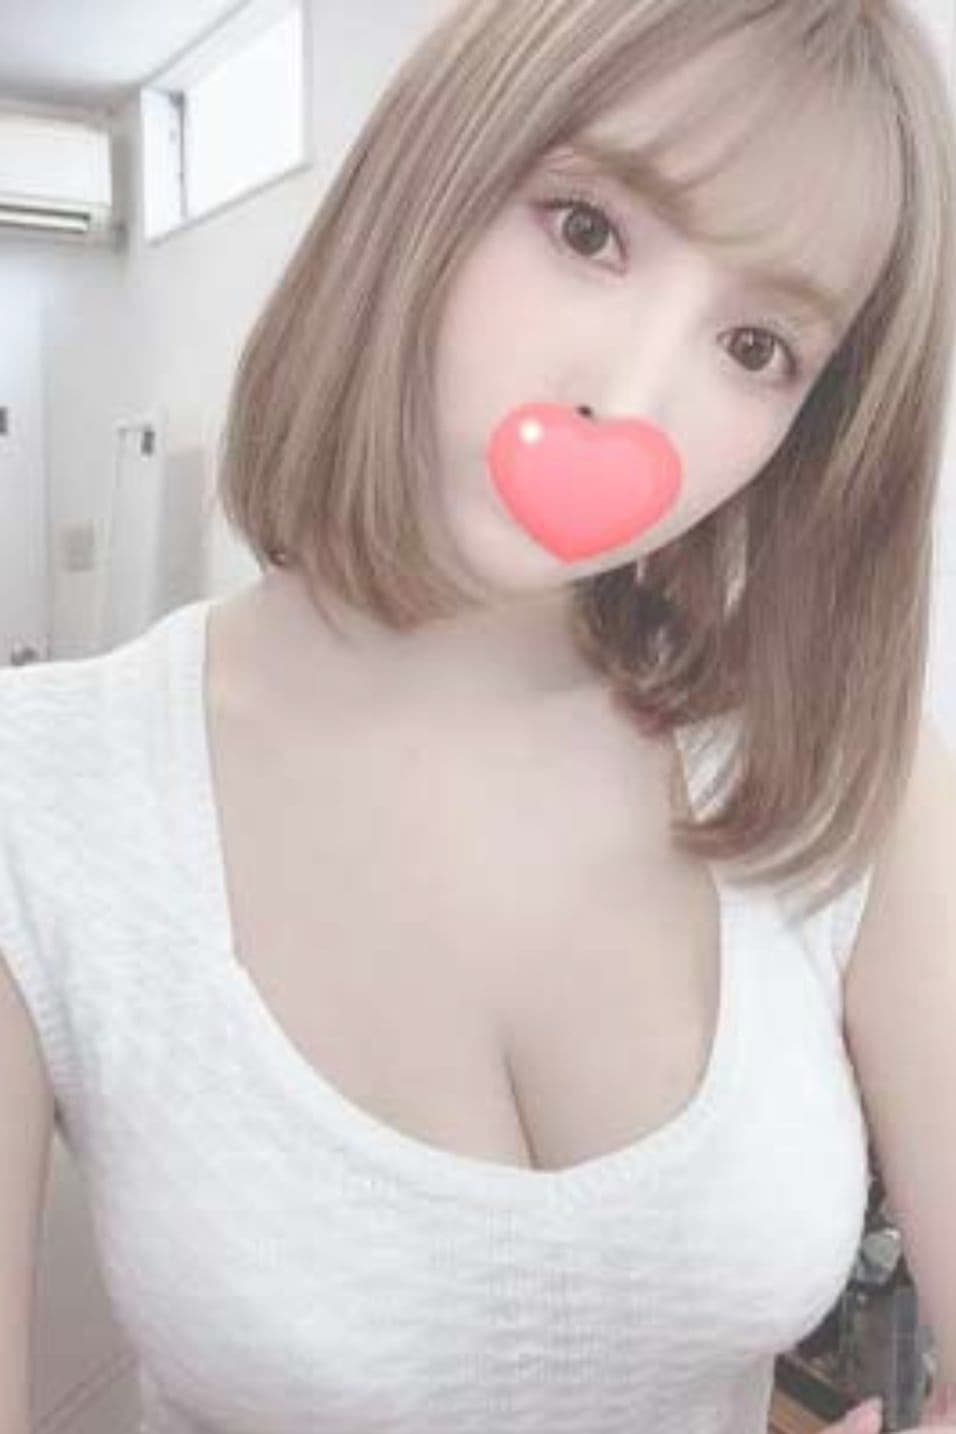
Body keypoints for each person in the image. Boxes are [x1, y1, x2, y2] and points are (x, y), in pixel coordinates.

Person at [2, 1, 955, 1431]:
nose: (628, 400)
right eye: (587, 229)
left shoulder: (841, 781)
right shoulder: (43, 793)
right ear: (431, 180)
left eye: (758, 346)